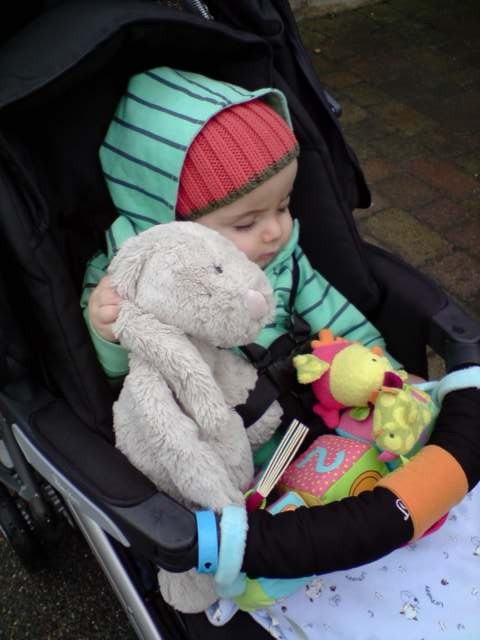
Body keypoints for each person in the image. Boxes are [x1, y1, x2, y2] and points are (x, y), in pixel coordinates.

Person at [82, 67, 480, 637]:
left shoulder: (284, 257)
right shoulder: (130, 283)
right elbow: (123, 374)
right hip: (241, 467)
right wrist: (106, 328)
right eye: (247, 222)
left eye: (283, 205)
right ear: (171, 228)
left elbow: (338, 317)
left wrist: (387, 374)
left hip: (323, 423)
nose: (274, 231)